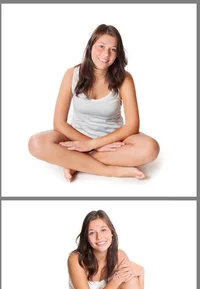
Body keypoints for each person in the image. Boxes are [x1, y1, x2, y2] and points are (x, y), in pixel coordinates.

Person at [28, 24, 159, 182]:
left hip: (113, 142)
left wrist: (94, 145)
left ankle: (76, 162)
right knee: (36, 143)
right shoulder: (72, 74)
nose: (106, 54)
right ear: (90, 46)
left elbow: (132, 126)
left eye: (113, 49)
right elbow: (59, 123)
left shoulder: (124, 78)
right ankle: (108, 170)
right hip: (76, 137)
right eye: (101, 46)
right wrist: (87, 144)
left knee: (150, 148)